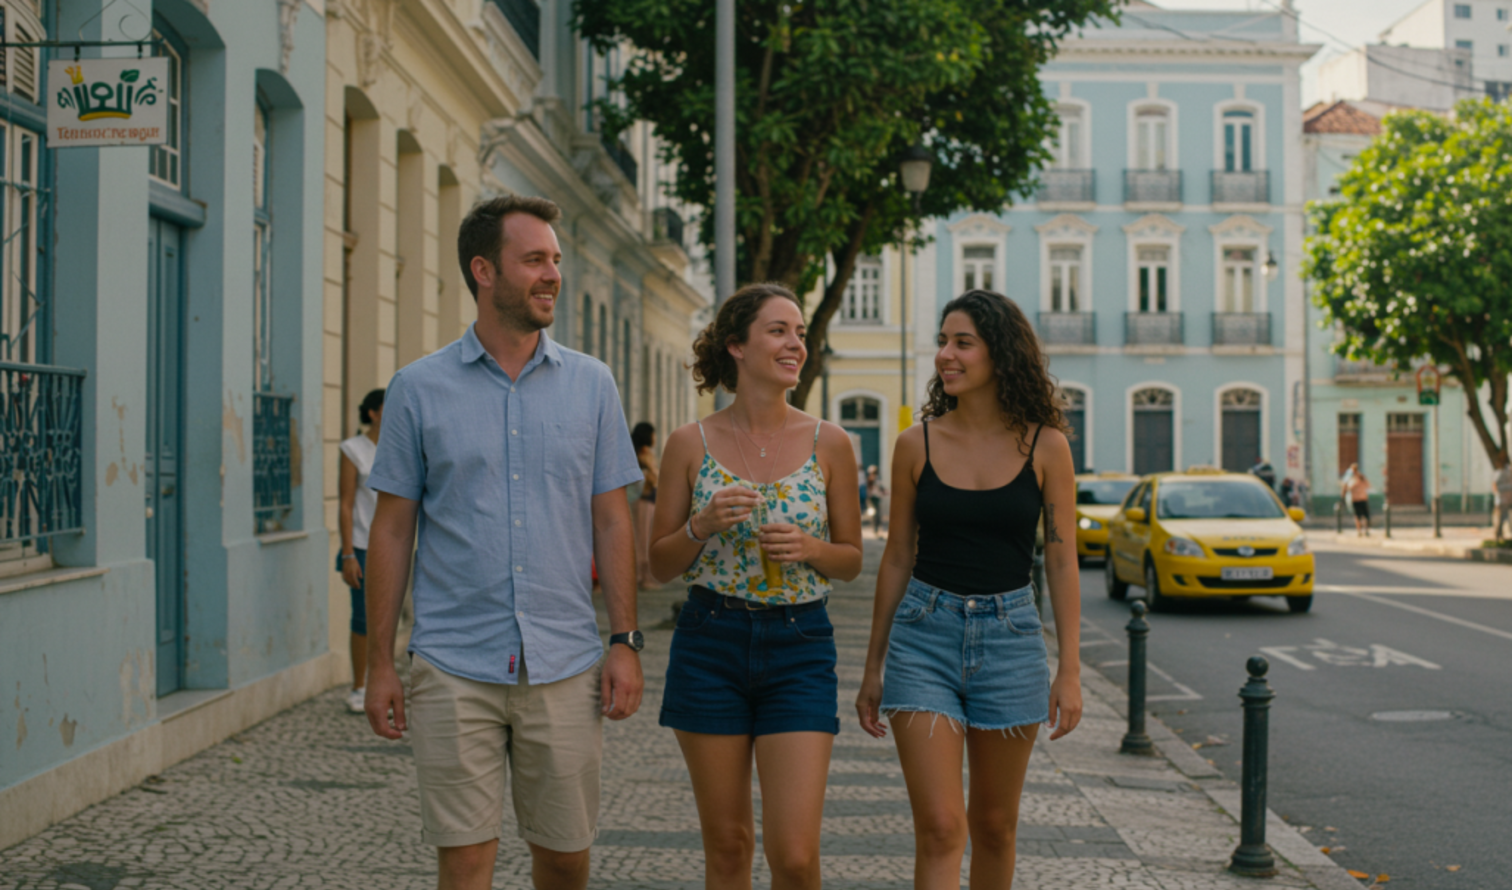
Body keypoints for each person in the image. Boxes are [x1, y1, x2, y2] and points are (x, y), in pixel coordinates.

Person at [362, 195, 646, 890]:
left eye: (555, 259)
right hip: (454, 661)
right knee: (464, 860)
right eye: (535, 260)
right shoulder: (417, 389)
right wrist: (380, 663)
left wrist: (625, 642)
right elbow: (393, 528)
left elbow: (612, 519)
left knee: (564, 858)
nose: (552, 274)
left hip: (566, 660)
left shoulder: (592, 384)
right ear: (484, 271)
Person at [856, 289, 1083, 890]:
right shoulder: (916, 444)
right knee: (938, 825)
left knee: (995, 825)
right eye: (942, 342)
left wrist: (1070, 669)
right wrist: (873, 665)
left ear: (1000, 355)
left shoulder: (1047, 447)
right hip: (922, 639)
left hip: (1011, 643)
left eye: (962, 343)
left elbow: (1061, 561)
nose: (945, 356)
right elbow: (898, 557)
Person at [647, 282, 863, 890]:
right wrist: (702, 523)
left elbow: (850, 561)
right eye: (779, 331)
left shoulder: (832, 444)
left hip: (800, 643)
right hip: (709, 640)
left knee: (794, 854)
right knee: (728, 845)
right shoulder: (690, 444)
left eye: (799, 332)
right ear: (736, 346)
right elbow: (659, 564)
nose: (796, 342)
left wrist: (813, 549)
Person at [337, 388, 385, 714]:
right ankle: (358, 686)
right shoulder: (353, 450)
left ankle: (383, 681)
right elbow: (345, 503)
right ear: (372, 413)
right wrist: (347, 554)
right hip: (362, 545)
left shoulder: (401, 445)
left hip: (393, 544)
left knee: (389, 618)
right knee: (363, 618)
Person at [631, 422, 659, 589]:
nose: (655, 438)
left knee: (642, 537)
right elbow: (655, 475)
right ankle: (643, 578)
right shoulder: (642, 454)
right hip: (644, 498)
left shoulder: (637, 453)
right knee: (643, 539)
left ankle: (642, 577)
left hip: (643, 499)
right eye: (653, 434)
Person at [1347, 464, 1372, 536]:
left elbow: (1350, 488)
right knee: (1361, 516)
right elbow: (1368, 486)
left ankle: (1362, 531)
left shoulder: (1356, 478)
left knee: (1360, 516)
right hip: (1360, 499)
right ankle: (1362, 531)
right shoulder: (1359, 477)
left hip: (1359, 499)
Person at [865, 465, 887, 535]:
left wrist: (883, 492)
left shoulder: (876, 479)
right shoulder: (871, 479)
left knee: (877, 513)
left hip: (876, 497)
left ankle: (877, 528)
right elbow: (870, 489)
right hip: (873, 497)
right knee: (875, 513)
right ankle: (875, 527)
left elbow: (880, 487)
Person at [1495, 459, 1512, 541]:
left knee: (1508, 518)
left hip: (1508, 500)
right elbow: (1496, 485)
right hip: (1504, 500)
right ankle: (1498, 535)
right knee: (1502, 518)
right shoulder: (1503, 473)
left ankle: (1501, 534)